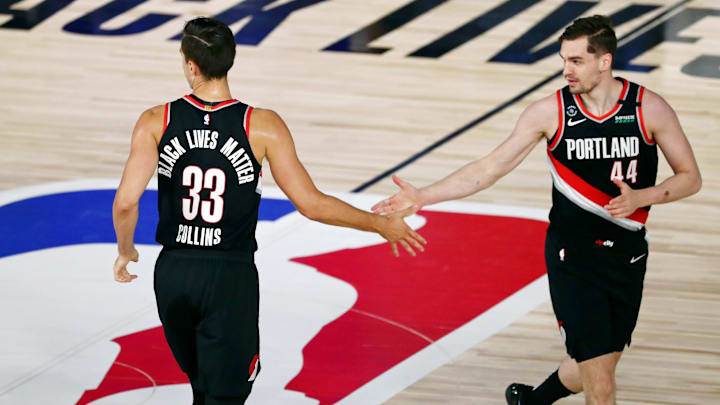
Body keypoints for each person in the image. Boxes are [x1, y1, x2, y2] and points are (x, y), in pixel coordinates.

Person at [372, 15, 701, 405]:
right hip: (573, 256)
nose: (567, 70)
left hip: (627, 254)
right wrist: (422, 196)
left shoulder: (648, 108)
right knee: (602, 384)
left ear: (605, 61)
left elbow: (689, 177)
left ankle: (533, 401)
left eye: (577, 60)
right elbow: (489, 168)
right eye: (564, 59)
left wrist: (641, 197)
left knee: (596, 365)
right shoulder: (550, 112)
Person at [111, 17, 426, 405]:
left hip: (174, 272)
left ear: (191, 65)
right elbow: (311, 205)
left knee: (201, 385)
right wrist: (379, 224)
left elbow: (126, 201)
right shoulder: (261, 125)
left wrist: (125, 250)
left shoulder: (155, 120)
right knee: (224, 395)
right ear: (230, 60)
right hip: (229, 277)